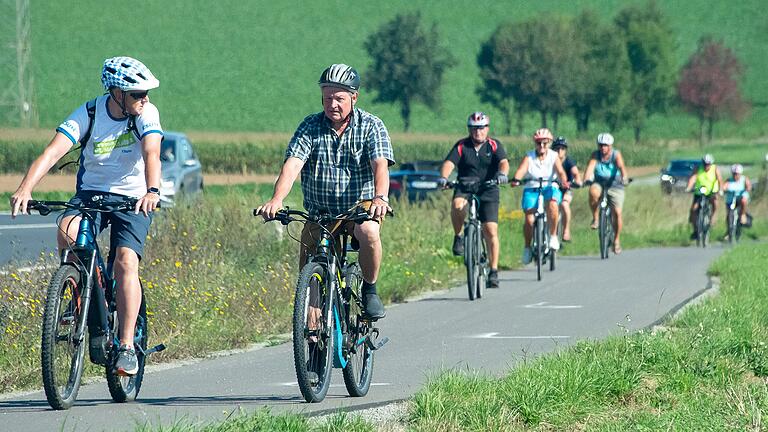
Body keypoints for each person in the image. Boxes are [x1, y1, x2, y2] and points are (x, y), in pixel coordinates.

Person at [10, 56, 163, 375]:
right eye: (137, 93)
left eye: (146, 92)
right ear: (117, 93)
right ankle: (78, 290)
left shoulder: (146, 113)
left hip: (134, 199)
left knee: (125, 262)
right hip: (92, 193)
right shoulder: (90, 112)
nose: (144, 98)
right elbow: (53, 152)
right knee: (66, 230)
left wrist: (152, 191)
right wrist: (25, 188)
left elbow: (151, 152)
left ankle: (125, 347)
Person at [255, 63, 394, 320]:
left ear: (354, 97)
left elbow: (380, 166)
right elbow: (292, 165)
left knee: (369, 231)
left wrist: (380, 198)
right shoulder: (310, 126)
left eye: (340, 98)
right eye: (328, 97)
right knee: (309, 280)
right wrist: (276, 200)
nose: (333, 104)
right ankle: (312, 338)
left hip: (359, 207)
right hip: (320, 212)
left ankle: (370, 290)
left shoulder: (372, 126)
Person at [438, 112, 509, 288]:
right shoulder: (462, 146)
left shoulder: (494, 145)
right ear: (469, 129)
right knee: (457, 204)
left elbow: (504, 162)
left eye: (481, 128)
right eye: (474, 128)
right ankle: (459, 236)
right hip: (465, 186)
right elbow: (449, 163)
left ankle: (493, 271)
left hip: (488, 187)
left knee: (490, 230)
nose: (478, 132)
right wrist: (443, 177)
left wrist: (502, 174)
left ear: (487, 129)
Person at [510, 128, 569, 264]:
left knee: (553, 205)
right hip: (532, 187)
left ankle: (553, 236)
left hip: (549, 187)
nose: (541, 146)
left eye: (545, 143)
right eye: (538, 143)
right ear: (535, 144)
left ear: (549, 143)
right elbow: (521, 170)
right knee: (529, 220)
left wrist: (564, 181)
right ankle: (527, 247)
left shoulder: (554, 156)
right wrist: (516, 179)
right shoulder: (529, 156)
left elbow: (560, 171)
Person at [582, 132, 629, 254]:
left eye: (606, 145)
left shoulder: (616, 155)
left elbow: (621, 167)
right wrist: (586, 179)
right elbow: (590, 168)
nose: (603, 148)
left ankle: (616, 240)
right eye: (601, 145)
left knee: (617, 212)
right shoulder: (595, 155)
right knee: (593, 192)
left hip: (615, 184)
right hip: (599, 182)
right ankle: (596, 218)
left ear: (611, 146)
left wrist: (624, 177)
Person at [685, 154, 723, 240]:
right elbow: (693, 178)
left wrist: (720, 189)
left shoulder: (715, 169)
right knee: (694, 209)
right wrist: (688, 187)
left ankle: (713, 217)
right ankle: (695, 229)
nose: (706, 166)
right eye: (705, 164)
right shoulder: (698, 168)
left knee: (715, 203)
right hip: (700, 192)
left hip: (711, 192)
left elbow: (720, 179)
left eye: (708, 164)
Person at [551, 136, 581, 242]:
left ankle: (566, 231)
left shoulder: (569, 161)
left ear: (565, 150)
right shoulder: (550, 160)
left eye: (562, 148)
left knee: (564, 204)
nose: (560, 151)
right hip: (552, 188)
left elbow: (576, 173)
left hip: (566, 189)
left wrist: (576, 182)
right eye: (557, 148)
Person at [723, 163, 751, 230]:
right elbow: (724, 187)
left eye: (737, 174)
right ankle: (729, 230)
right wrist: (723, 190)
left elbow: (748, 186)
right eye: (734, 174)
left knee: (743, 201)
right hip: (731, 199)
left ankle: (743, 215)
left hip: (740, 198)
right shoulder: (729, 180)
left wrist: (747, 189)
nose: (735, 175)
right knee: (729, 214)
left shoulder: (744, 179)